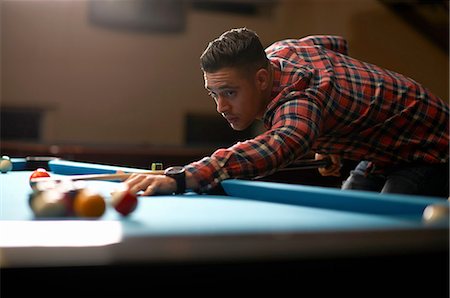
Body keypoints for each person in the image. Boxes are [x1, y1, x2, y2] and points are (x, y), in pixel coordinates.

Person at [125, 27, 449, 198]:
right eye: (214, 94)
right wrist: (324, 134)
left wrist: (184, 178)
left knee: (380, 233)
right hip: (382, 151)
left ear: (262, 79)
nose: (221, 107)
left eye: (230, 93)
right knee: (346, 215)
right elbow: (334, 44)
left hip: (429, 147)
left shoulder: (300, 97)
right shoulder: (278, 53)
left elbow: (279, 146)